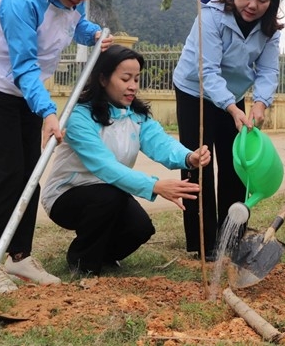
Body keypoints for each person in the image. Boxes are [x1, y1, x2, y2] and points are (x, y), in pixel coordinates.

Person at [0, 0, 114, 293]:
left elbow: (71, 22)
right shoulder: (20, 2)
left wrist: (91, 33)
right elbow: (24, 66)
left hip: (24, 94)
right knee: (4, 177)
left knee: (29, 173)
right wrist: (48, 112)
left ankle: (19, 257)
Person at [41, 45, 211, 275]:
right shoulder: (79, 117)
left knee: (140, 229)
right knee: (108, 197)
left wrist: (189, 157)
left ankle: (103, 256)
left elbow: (161, 143)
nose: (132, 86)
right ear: (103, 79)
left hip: (111, 191)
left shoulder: (136, 116)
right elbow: (104, 166)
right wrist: (155, 186)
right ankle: (82, 263)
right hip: (67, 194)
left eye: (137, 79)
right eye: (125, 78)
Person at [172, 0, 284, 261]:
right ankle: (204, 243)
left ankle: (231, 239)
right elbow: (207, 70)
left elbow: (268, 69)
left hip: (233, 95)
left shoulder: (270, 28)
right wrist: (233, 109)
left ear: (272, 2)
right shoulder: (210, 16)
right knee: (199, 162)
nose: (253, 5)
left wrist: (260, 103)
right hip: (194, 91)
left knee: (239, 165)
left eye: (263, 0)